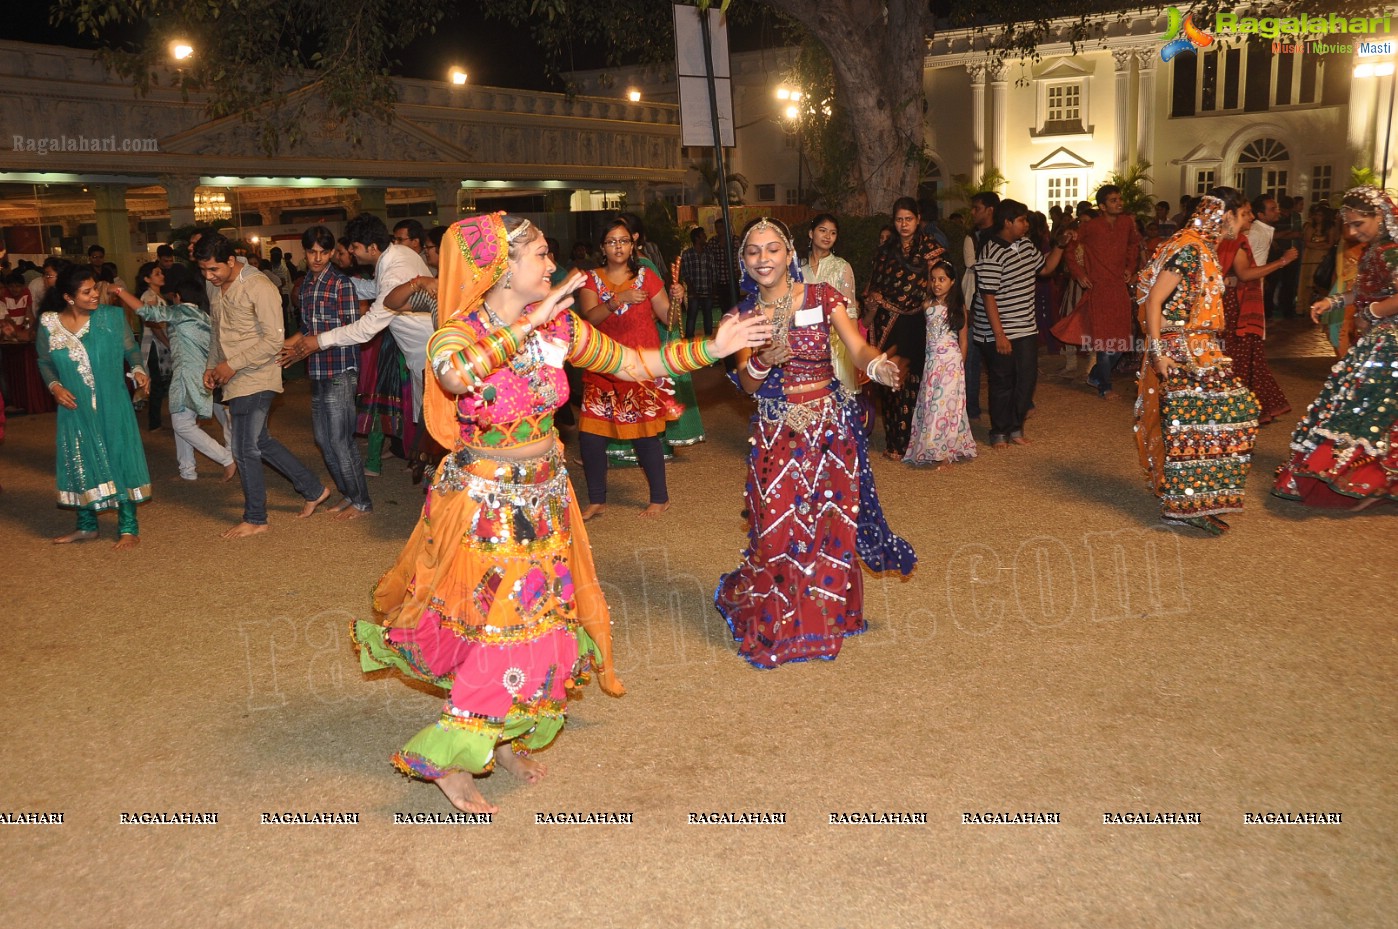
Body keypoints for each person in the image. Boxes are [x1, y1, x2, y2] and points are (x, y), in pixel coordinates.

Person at [350, 211, 770, 812]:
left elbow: (632, 364)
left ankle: (504, 734)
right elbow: (454, 375)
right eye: (541, 255)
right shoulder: (458, 331)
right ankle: (450, 756)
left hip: (546, 493)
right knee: (499, 626)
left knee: (542, 620)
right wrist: (527, 326)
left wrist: (714, 347)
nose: (553, 265)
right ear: (501, 266)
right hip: (488, 506)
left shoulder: (559, 329)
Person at [715, 217, 915, 669]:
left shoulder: (824, 298)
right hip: (775, 431)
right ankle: (778, 614)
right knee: (775, 527)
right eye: (753, 252)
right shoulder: (741, 317)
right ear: (743, 261)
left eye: (772, 249)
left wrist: (877, 365)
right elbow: (746, 384)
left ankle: (819, 616)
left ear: (789, 254)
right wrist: (764, 360)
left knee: (829, 523)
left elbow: (856, 347)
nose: (763, 259)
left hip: (828, 427)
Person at [1134, 188, 1260, 535]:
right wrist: (1159, 354)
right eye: (1242, 214)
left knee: (1213, 421)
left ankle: (1192, 500)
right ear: (1225, 215)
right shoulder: (1190, 249)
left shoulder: (1202, 248)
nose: (1246, 222)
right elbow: (1155, 301)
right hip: (1180, 350)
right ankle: (1184, 504)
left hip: (1202, 348)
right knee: (1198, 425)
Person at [198, 233, 329, 539]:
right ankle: (313, 488)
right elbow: (218, 334)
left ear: (231, 261)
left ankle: (256, 517)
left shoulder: (259, 286)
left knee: (244, 448)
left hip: (258, 375)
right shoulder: (215, 287)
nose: (209, 276)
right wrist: (211, 365)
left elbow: (273, 340)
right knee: (260, 441)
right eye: (204, 270)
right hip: (233, 376)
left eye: (214, 269)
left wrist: (231, 365)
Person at [1273, 187, 1398, 509]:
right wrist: (1333, 301)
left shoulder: (1391, 250)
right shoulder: (1375, 250)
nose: (1353, 231)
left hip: (1390, 341)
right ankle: (1367, 476)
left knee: (1365, 406)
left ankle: (1365, 476)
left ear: (1380, 216)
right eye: (1349, 225)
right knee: (1363, 405)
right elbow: (1364, 291)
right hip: (1376, 339)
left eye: (1359, 224)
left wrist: (1371, 314)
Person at [35, 264, 151, 548]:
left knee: (119, 455)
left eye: (95, 288)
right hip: (74, 407)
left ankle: (128, 528)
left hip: (113, 403)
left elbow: (131, 349)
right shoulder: (49, 323)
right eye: (86, 292)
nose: (95, 295)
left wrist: (138, 370)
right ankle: (87, 526)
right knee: (80, 458)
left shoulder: (111, 317)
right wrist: (55, 387)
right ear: (68, 297)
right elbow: (44, 362)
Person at [575, 219, 676, 518]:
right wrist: (617, 300)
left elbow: (667, 319)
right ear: (602, 247)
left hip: (638, 369)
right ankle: (597, 499)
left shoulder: (648, 278)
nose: (618, 246)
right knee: (591, 437)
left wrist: (678, 302)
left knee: (644, 435)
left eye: (623, 241)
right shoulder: (591, 280)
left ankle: (660, 498)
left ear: (633, 245)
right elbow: (590, 319)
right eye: (611, 241)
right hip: (602, 366)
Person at [118, 269, 235, 482]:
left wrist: (119, 291)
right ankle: (187, 469)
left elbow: (148, 314)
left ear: (178, 297)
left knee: (182, 423)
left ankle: (225, 458)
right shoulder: (204, 316)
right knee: (183, 420)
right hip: (204, 375)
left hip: (186, 377)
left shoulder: (180, 312)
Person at [971, 199, 1066, 447]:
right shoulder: (991, 252)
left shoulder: (1024, 245)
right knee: (1003, 380)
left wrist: (1060, 245)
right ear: (1008, 222)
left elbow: (1044, 269)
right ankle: (998, 432)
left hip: (1025, 326)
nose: (1026, 224)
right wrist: (999, 335)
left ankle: (1015, 427)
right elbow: (987, 295)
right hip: (997, 329)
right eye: (1022, 220)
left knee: (1026, 379)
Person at [298, 225, 372, 517]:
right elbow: (307, 328)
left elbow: (353, 331)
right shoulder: (306, 283)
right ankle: (349, 493)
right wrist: (292, 348)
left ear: (331, 253)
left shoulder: (341, 284)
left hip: (341, 369)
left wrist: (314, 343)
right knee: (323, 438)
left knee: (340, 439)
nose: (317, 258)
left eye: (323, 252)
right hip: (317, 369)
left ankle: (362, 501)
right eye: (311, 251)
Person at [864, 197, 944, 458]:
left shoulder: (931, 249)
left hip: (917, 321)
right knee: (890, 379)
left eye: (908, 219)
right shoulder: (886, 250)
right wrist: (874, 300)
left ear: (918, 219)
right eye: (899, 219)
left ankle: (911, 441)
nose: (904, 224)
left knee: (912, 379)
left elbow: (937, 284)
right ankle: (893, 442)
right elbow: (874, 283)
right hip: (887, 321)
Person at [1219, 202, 1296, 425]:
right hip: (1231, 306)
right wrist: (1283, 262)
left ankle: (1244, 408)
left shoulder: (1233, 240)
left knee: (1245, 356)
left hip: (1231, 302)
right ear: (1230, 216)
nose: (1251, 217)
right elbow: (1244, 274)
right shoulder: (1234, 242)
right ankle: (1235, 409)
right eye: (1246, 213)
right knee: (1237, 357)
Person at [1065, 185, 1141, 400]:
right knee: (1104, 341)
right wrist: (1079, 274)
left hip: (1119, 287)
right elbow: (1070, 248)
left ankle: (1096, 375)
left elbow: (1134, 245)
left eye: (1120, 199)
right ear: (1102, 206)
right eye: (1114, 200)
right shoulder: (1091, 227)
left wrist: (1130, 267)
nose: (1120, 203)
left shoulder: (1127, 223)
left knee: (1122, 342)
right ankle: (1105, 386)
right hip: (1098, 289)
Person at [905, 259, 975, 468]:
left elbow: (963, 340)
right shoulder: (927, 305)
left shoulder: (958, 307)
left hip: (951, 362)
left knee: (943, 406)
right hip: (932, 362)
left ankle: (943, 452)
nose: (937, 284)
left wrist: (959, 365)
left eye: (942, 279)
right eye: (933, 279)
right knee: (931, 403)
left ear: (952, 282)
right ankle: (931, 446)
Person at [799, 212, 860, 390]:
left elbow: (851, 311)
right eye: (823, 230)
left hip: (835, 341)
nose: (827, 236)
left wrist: (856, 350)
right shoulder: (797, 266)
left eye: (833, 233)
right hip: (803, 340)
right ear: (811, 233)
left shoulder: (842, 267)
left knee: (837, 398)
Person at [962, 192, 999, 408]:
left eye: (977, 208)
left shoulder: (1003, 235)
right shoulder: (973, 237)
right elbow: (972, 265)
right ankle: (972, 406)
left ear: (990, 209)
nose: (973, 212)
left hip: (998, 302)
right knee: (972, 358)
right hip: (975, 301)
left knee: (998, 358)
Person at [134, 261, 173, 430]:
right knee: (157, 383)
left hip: (162, 344)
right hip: (155, 345)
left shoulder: (159, 296)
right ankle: (154, 422)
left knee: (161, 382)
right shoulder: (149, 297)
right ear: (147, 279)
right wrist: (167, 342)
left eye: (161, 273)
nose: (162, 275)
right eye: (157, 273)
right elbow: (151, 323)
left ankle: (156, 419)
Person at [677, 226, 718, 339]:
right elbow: (685, 273)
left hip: (706, 290)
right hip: (694, 292)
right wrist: (691, 288)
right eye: (702, 235)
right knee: (692, 316)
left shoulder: (709, 253)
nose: (705, 237)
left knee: (707, 316)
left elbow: (713, 271)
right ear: (697, 238)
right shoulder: (687, 254)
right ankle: (689, 339)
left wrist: (714, 289)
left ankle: (709, 339)